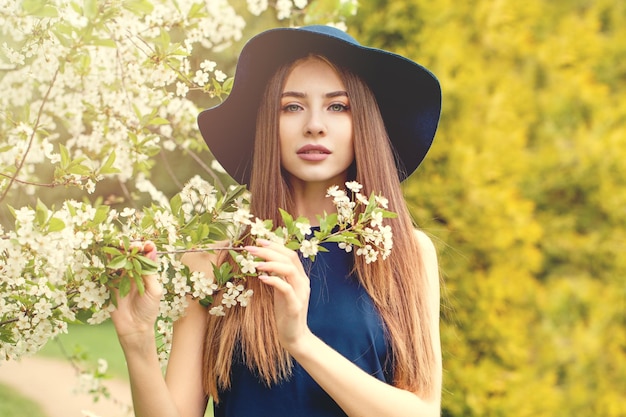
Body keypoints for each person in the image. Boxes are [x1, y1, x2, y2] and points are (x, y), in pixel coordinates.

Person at [111, 25, 443, 417]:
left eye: (338, 106)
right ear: (268, 124)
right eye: (292, 106)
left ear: (364, 124)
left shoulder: (405, 252)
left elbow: (422, 411)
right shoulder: (217, 259)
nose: (314, 124)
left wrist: (299, 340)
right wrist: (137, 342)